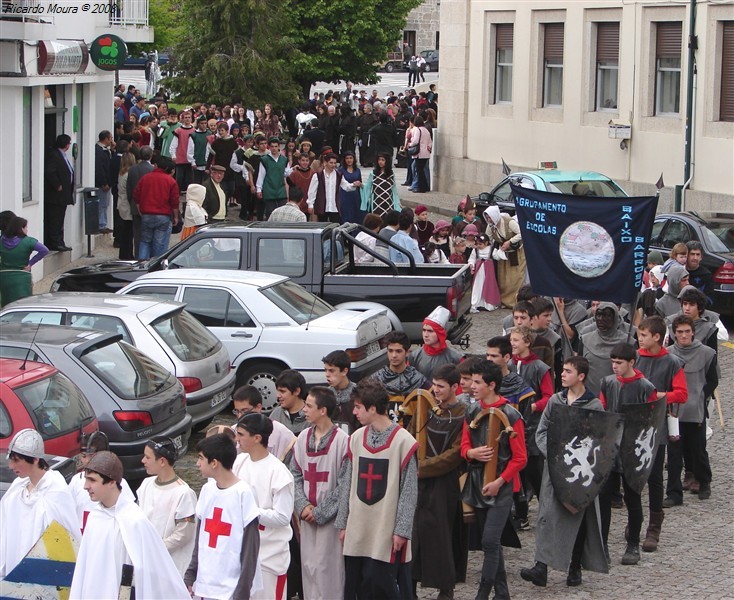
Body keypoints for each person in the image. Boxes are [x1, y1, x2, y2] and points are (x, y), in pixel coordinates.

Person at [520, 356, 608, 588]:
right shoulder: (556, 401)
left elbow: (599, 440)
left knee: (576, 518)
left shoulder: (594, 406)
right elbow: (542, 431)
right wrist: (554, 456)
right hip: (554, 469)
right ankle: (541, 566)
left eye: (568, 371)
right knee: (546, 515)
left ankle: (575, 566)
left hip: (580, 473)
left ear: (581, 376)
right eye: (563, 370)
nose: (562, 374)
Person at [335, 379, 419, 600]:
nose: (354, 412)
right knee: (358, 586)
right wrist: (343, 523)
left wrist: (401, 531)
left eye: (358, 407)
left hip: (386, 529)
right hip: (358, 527)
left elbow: (409, 492)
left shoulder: (403, 442)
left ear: (372, 408)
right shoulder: (355, 439)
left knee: (384, 586)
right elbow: (347, 484)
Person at [70, 451, 189, 599]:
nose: (85, 486)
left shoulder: (134, 520)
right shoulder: (95, 518)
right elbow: (84, 569)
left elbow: (154, 571)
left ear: (112, 482)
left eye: (92, 480)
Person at [461, 361, 526, 600]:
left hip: (501, 487)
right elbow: (464, 444)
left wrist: (500, 481)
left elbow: (520, 458)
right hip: (477, 483)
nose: (472, 386)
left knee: (489, 540)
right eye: (472, 381)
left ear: (491, 385)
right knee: (492, 543)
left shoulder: (510, 414)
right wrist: (471, 453)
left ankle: (482, 594)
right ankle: (502, 594)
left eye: (478, 382)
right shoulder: (471, 411)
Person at [408, 364, 468, 600]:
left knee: (441, 534)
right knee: (414, 533)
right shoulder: (425, 409)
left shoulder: (463, 414)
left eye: (441, 387)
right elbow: (411, 436)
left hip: (445, 484)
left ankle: (445, 586)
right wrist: (412, 465)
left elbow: (454, 454)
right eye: (434, 385)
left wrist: (423, 469)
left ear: (455, 387)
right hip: (418, 482)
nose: (435, 390)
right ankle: (409, 583)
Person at [597, 343, 658, 566]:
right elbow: (603, 411)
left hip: (633, 450)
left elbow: (651, 420)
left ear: (631, 362)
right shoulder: (607, 383)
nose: (614, 366)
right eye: (612, 362)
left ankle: (633, 543)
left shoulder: (645, 386)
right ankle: (601, 544)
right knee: (604, 498)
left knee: (633, 498)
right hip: (611, 449)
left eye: (619, 363)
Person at [184, 434, 262, 600]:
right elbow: (201, 537)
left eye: (201, 458)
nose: (197, 463)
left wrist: (243, 590)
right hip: (206, 585)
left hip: (231, 587)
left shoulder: (243, 493)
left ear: (214, 463)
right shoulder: (207, 491)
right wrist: (191, 573)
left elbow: (250, 547)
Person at [290, 387, 349, 600]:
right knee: (309, 568)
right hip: (306, 519)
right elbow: (294, 474)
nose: (304, 409)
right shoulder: (303, 437)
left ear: (323, 410)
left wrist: (320, 512)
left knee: (329, 570)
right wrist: (302, 505)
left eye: (309, 405)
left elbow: (345, 484)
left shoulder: (342, 441)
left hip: (329, 522)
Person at [635, 316, 687, 551]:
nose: (640, 339)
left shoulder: (672, 362)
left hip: (658, 424)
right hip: (635, 424)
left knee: (655, 476)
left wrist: (658, 396)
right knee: (633, 476)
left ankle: (654, 524)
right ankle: (635, 521)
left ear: (656, 337)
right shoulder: (635, 357)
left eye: (644, 335)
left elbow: (682, 394)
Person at [0, 429, 79, 578]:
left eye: (16, 460)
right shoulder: (16, 490)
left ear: (35, 459)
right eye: (11, 460)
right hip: (13, 574)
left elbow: (67, 540)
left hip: (43, 577)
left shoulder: (56, 492)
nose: (11, 466)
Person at [233, 414, 295, 600]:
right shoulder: (240, 462)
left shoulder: (278, 472)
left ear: (257, 438)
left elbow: (283, 517)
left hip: (269, 556)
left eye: (241, 434)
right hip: (242, 552)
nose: (237, 439)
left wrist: (250, 512)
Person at [667, 315, 717, 502]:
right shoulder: (669, 353)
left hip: (695, 407)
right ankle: (673, 493)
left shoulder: (707, 353)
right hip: (674, 410)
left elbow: (712, 380)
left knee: (698, 449)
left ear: (693, 333)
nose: (684, 335)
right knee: (674, 454)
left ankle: (704, 482)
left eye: (687, 331)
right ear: (674, 333)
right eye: (680, 332)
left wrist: (700, 396)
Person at [137, 436, 197, 576]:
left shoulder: (183, 493)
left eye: (147, 457)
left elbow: (183, 534)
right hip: (145, 561)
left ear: (162, 461)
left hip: (168, 566)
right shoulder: (146, 484)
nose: (143, 461)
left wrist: (155, 548)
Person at [68, 431, 134, 534]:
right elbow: (69, 513)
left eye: (92, 456)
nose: (87, 461)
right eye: (84, 456)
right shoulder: (76, 481)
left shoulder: (119, 483)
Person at [371, 331, 429, 424]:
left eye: (398, 351)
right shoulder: (375, 381)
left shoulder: (419, 382)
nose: (394, 355)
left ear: (407, 352)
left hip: (409, 434)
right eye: (390, 351)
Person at [577, 302, 633, 396]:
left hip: (617, 396)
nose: (601, 319)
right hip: (589, 397)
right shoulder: (585, 339)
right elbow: (579, 367)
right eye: (598, 315)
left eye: (606, 316)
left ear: (614, 318)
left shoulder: (627, 341)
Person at [232, 385, 296, 461]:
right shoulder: (232, 431)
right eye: (237, 411)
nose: (240, 416)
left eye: (245, 411)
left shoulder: (281, 432)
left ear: (258, 407)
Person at [133, 156, 180, 259]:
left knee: (145, 241)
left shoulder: (145, 178)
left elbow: (136, 195)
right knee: (160, 244)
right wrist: (176, 216)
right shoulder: (170, 181)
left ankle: (142, 265)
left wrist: (139, 209)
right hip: (163, 215)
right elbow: (174, 201)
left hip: (146, 214)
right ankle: (157, 265)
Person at [0, 216, 49, 307]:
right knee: (24, 303)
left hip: (4, 276)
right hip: (22, 276)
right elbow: (44, 250)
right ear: (21, 228)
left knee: (6, 304)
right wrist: (30, 263)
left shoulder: (2, 241)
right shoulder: (28, 241)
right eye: (26, 227)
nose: (27, 230)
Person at [484, 205, 526, 308]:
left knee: (516, 278)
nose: (489, 220)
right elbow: (487, 239)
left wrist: (510, 241)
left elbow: (522, 233)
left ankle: (515, 301)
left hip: (516, 253)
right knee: (504, 280)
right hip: (503, 254)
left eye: (490, 217)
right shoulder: (490, 226)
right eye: (487, 217)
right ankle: (505, 301)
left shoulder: (508, 222)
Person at [408, 306, 464, 380]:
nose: (425, 335)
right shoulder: (414, 356)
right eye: (424, 330)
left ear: (440, 334)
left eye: (430, 331)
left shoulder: (456, 358)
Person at [307, 152, 361, 222]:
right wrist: (310, 204)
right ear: (326, 162)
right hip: (322, 206)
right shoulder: (318, 175)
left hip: (334, 207)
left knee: (335, 226)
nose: (333, 165)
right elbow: (312, 191)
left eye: (334, 163)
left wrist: (353, 185)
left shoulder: (339, 175)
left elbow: (346, 186)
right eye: (331, 163)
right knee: (322, 227)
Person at [44, 134, 74, 251]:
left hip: (63, 196)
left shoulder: (63, 155)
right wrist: (57, 184)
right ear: (66, 144)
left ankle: (60, 241)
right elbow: (49, 171)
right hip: (56, 196)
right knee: (55, 220)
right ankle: (55, 242)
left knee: (60, 219)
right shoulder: (54, 155)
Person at [322, 349, 359, 433]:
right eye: (325, 370)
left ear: (344, 371)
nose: (327, 374)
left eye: (331, 370)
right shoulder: (324, 395)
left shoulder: (358, 394)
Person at [257, 137, 294, 218]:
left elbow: (286, 173)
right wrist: (259, 189)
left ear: (279, 147)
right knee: (270, 214)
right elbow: (261, 175)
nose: (274, 148)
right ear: (269, 147)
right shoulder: (265, 160)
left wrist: (292, 169)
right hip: (269, 190)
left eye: (276, 146)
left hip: (281, 189)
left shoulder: (284, 159)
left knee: (282, 214)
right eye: (272, 146)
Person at [468, 233, 501, 313]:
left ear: (486, 243)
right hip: (479, 272)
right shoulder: (475, 250)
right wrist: (471, 265)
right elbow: (472, 259)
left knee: (488, 286)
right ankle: (476, 303)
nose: (478, 246)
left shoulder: (491, 249)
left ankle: (488, 304)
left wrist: (501, 251)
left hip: (489, 273)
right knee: (478, 287)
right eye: (477, 244)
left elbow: (497, 257)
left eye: (480, 244)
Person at [270, 369, 309, 434]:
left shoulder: (312, 415)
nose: (278, 395)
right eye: (278, 391)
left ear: (297, 391)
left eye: (282, 391)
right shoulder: (276, 414)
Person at [338, 151, 365, 225]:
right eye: (347, 158)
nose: (349, 160)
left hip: (356, 196)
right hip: (345, 196)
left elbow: (361, 183)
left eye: (351, 158)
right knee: (346, 216)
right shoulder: (340, 170)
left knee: (356, 216)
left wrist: (360, 184)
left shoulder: (357, 170)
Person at [95, 130, 114, 233]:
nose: (111, 140)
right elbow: (100, 168)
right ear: (106, 139)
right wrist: (104, 183)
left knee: (105, 204)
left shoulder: (106, 150)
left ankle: (103, 223)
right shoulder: (98, 151)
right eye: (110, 138)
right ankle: (101, 224)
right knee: (102, 204)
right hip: (102, 184)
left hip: (107, 181)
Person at [685, 240, 714, 305]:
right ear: (686, 255)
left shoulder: (706, 275)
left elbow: (710, 300)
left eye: (698, 254)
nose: (695, 258)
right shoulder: (679, 272)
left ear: (701, 257)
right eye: (692, 254)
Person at [408, 116, 432, 193]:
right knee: (421, 170)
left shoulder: (418, 130)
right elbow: (430, 141)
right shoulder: (426, 130)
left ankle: (421, 187)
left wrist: (410, 144)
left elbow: (415, 141)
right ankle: (424, 186)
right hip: (426, 153)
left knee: (419, 170)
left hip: (419, 153)